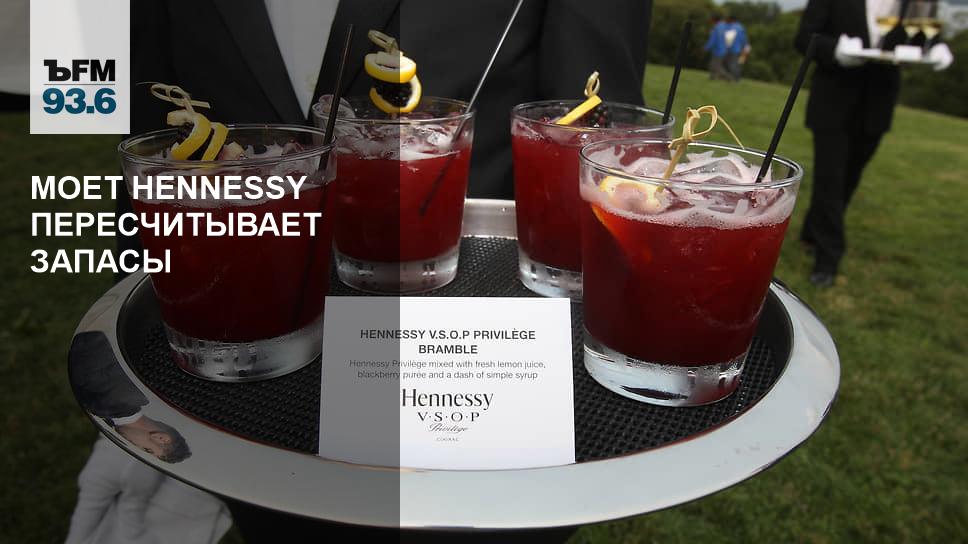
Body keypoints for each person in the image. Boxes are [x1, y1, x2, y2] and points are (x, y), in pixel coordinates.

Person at [794, 0, 953, 287]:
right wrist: (835, 51)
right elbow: (804, 38)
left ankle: (811, 232)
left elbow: (919, 37)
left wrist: (936, 47)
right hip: (833, 99)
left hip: (878, 104)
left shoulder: (912, 3)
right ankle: (828, 258)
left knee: (849, 177)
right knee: (830, 178)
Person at [704, 15, 734, 81]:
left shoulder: (717, 28)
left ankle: (728, 77)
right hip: (724, 49)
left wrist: (706, 48)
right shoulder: (724, 26)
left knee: (716, 65)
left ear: (713, 20)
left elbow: (713, 39)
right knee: (714, 64)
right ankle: (712, 77)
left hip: (718, 50)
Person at [724, 15, 749, 81]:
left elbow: (728, 40)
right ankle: (737, 78)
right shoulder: (741, 27)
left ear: (731, 20)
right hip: (742, 50)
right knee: (738, 64)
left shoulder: (731, 27)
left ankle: (732, 78)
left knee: (731, 64)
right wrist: (746, 50)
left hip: (732, 49)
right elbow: (745, 40)